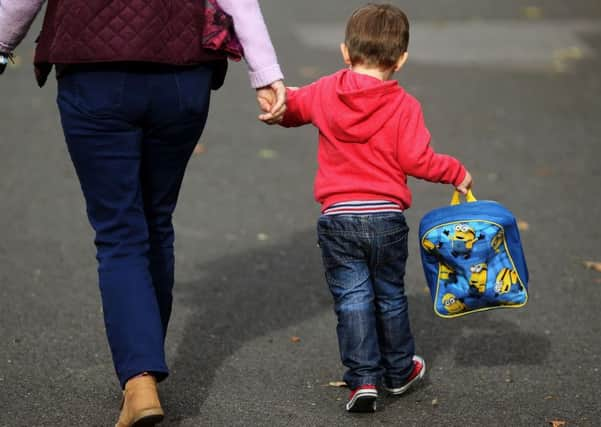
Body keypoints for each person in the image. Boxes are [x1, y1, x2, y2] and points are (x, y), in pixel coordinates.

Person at [0, 0, 286, 425]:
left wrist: (3, 44)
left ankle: (140, 379)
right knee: (155, 219)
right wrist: (266, 73)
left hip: (94, 71)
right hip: (182, 73)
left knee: (119, 231)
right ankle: (145, 366)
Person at [260, 3, 472, 413]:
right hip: (386, 218)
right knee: (390, 295)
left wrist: (277, 108)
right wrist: (455, 171)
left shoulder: (325, 91)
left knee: (353, 299)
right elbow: (417, 160)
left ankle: (362, 380)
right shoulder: (404, 105)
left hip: (338, 218)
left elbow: (296, 106)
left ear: (345, 52)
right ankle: (398, 371)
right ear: (402, 60)